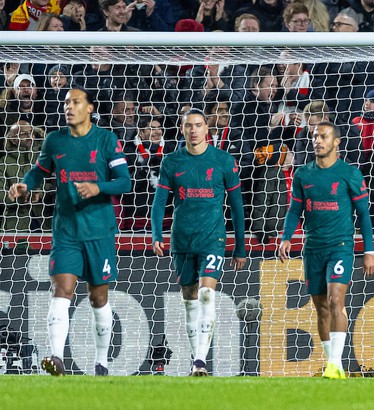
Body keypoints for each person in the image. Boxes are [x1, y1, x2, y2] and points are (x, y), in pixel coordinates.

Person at [8, 87, 131, 376]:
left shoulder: (105, 139)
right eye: (66, 102)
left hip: (99, 232)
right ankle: (57, 358)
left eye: (76, 102)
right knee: (61, 290)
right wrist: (27, 184)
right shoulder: (54, 140)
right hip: (66, 231)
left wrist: (98, 187)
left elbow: (124, 182)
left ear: (89, 108)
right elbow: (39, 170)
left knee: (98, 297)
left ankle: (101, 363)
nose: (69, 107)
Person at [151, 109, 246, 376]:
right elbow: (159, 204)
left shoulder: (223, 161)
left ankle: (201, 360)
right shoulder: (172, 162)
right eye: (188, 126)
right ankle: (197, 359)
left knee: (206, 294)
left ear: (207, 129)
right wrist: (156, 234)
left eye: (198, 125)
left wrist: (240, 246)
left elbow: (237, 207)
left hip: (212, 239)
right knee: (190, 299)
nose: (194, 130)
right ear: (182, 130)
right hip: (181, 240)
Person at [278, 121, 374, 379]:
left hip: (340, 247)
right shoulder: (303, 175)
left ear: (336, 142)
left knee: (336, 300)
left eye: (323, 136)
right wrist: (286, 237)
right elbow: (294, 210)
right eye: (314, 136)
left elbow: (364, 215)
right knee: (321, 306)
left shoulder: (350, 173)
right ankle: (333, 365)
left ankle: (335, 364)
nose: (317, 141)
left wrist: (369, 251)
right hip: (313, 249)